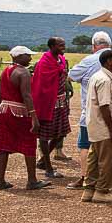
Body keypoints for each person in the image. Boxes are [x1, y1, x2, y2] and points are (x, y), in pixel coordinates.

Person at [68, 31, 112, 190]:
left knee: (86, 145)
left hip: (94, 112)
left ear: (94, 46)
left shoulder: (90, 61)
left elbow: (70, 75)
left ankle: (86, 178)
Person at [0, 46, 50, 191]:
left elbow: (0, 94)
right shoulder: (23, 72)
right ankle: (32, 180)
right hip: (19, 112)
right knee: (29, 143)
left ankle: (0, 180)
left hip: (4, 110)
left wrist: (0, 111)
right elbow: (27, 96)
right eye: (28, 56)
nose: (30, 58)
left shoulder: (5, 71)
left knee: (3, 145)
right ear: (18, 57)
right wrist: (34, 116)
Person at [82, 50, 112, 205]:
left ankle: (89, 190)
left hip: (94, 124)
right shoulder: (105, 80)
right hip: (102, 125)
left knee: (94, 158)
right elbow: (104, 106)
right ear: (108, 62)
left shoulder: (97, 76)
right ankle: (102, 191)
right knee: (109, 159)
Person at [32, 37, 70, 178]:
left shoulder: (60, 60)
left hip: (60, 102)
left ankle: (42, 161)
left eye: (64, 45)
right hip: (47, 102)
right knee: (44, 135)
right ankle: (48, 168)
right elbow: (41, 84)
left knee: (61, 133)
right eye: (60, 45)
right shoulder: (45, 62)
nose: (63, 47)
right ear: (52, 46)